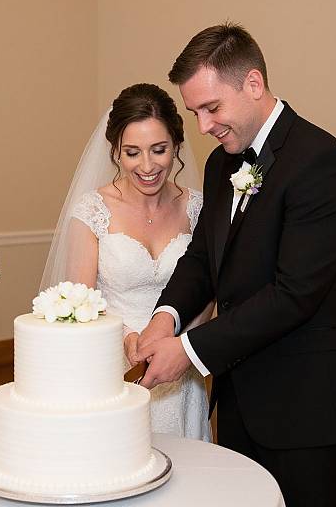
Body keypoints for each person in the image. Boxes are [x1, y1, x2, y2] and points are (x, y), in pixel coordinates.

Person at [131, 24, 336, 506]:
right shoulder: (222, 164)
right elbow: (203, 256)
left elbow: (294, 295)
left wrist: (189, 349)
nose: (202, 126)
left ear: (253, 84)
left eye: (211, 108)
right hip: (242, 398)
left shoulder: (321, 161)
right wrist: (166, 317)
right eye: (194, 111)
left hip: (310, 406)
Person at [41, 83, 212, 441]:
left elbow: (207, 287)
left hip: (180, 364)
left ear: (177, 146)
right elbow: (81, 303)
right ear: (115, 152)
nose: (147, 166)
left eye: (159, 150)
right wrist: (128, 340)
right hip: (116, 367)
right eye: (132, 152)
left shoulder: (196, 207)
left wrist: (183, 345)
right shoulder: (93, 210)